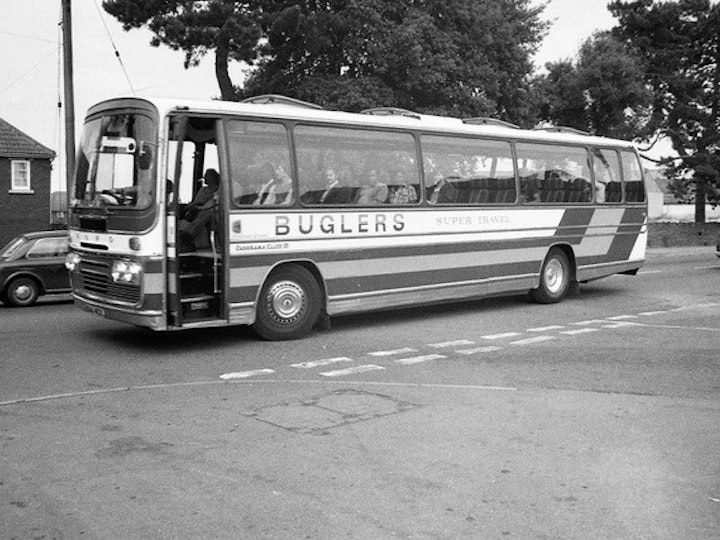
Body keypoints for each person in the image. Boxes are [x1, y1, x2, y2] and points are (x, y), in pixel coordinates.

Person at [178, 168, 220, 250]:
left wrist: (202, 207)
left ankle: (187, 237)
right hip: (198, 209)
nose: (204, 177)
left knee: (205, 214)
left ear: (212, 178)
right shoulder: (203, 190)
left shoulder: (220, 189)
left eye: (206, 176)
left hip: (213, 210)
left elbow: (215, 200)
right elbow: (196, 201)